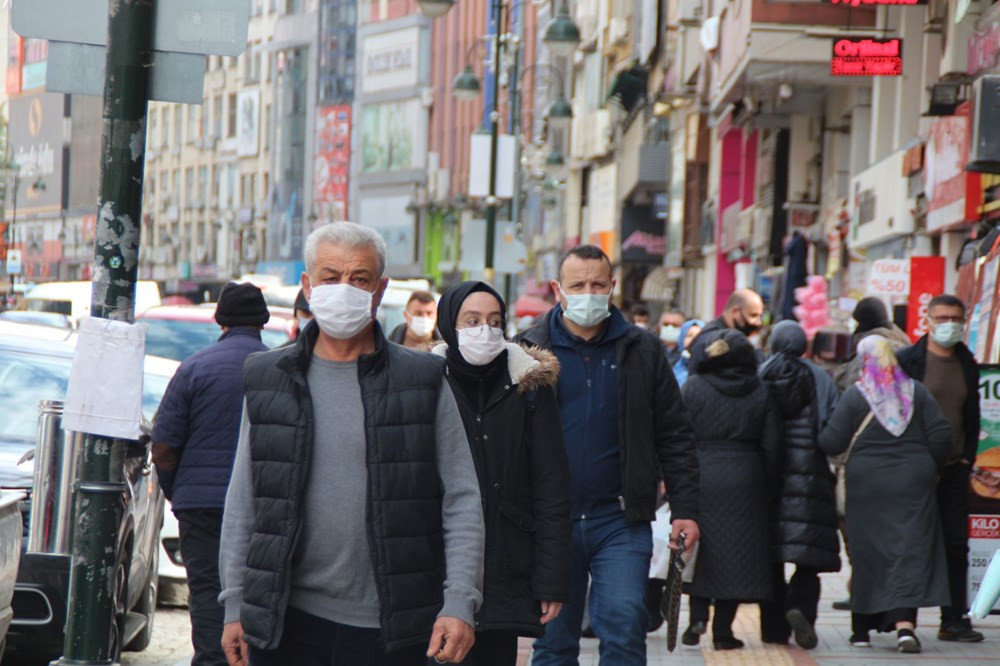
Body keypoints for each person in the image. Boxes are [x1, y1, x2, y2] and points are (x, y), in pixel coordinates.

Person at [218, 223, 485, 666]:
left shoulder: (421, 380)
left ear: (380, 290)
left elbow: (462, 498)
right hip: (287, 623)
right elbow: (244, 498)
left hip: (392, 627)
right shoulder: (269, 379)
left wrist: (460, 602)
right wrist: (233, 605)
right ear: (307, 285)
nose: (344, 289)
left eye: (359, 279)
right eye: (330, 277)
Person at [517, 245, 700, 666]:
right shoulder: (527, 350)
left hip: (620, 518)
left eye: (597, 284)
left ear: (612, 287)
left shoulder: (643, 350)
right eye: (577, 285)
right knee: (553, 641)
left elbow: (675, 434)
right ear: (557, 290)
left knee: (623, 629)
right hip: (550, 522)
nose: (588, 293)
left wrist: (686, 510)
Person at [431, 281, 571, 665]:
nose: (485, 331)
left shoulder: (528, 387)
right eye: (471, 321)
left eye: (495, 321)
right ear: (448, 324)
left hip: (507, 566)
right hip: (437, 569)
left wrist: (551, 579)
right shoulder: (424, 383)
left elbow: (551, 485)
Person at [151, 281, 272, 666]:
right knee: (256, 589)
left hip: (200, 505)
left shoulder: (194, 368)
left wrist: (177, 490)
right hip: (261, 505)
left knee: (205, 589)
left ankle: (210, 658)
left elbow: (164, 445)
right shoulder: (278, 369)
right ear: (263, 321)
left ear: (220, 320)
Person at [818, 336, 951, 654]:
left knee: (869, 553)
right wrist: (927, 466)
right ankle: (905, 627)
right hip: (913, 482)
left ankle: (861, 629)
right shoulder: (916, 392)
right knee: (908, 552)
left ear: (864, 362)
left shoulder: (856, 396)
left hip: (868, 486)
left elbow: (833, 442)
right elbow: (941, 435)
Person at [680, 329, 781, 650]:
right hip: (746, 476)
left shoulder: (693, 387)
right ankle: (723, 633)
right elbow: (773, 444)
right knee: (738, 557)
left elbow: (677, 435)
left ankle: (697, 618)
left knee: (701, 550)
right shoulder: (761, 390)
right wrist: (769, 484)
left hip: (702, 473)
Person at [896, 295, 984, 643]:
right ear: (928, 320)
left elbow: (972, 417)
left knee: (954, 543)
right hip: (913, 467)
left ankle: (953, 619)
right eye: (942, 317)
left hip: (953, 468)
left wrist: (967, 458)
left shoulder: (967, 362)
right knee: (911, 543)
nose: (950, 324)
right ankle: (905, 620)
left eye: (956, 318)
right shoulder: (908, 361)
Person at [757, 321, 841, 649]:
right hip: (811, 477)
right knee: (809, 560)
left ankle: (773, 630)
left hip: (770, 479)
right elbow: (833, 426)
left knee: (771, 559)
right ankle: (800, 607)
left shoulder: (761, 374)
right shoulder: (821, 378)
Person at [833, 296, 911, 391]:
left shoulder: (870, 349)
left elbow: (854, 389)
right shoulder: (901, 343)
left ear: (864, 323)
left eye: (857, 323)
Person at [697, 289, 765, 341]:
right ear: (735, 312)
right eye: (753, 315)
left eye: (760, 316)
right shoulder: (716, 338)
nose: (758, 322)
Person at [671, 319, 704, 387]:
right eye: (689, 335)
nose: (694, 339)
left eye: (698, 335)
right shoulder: (671, 367)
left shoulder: (710, 368)